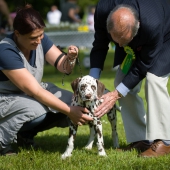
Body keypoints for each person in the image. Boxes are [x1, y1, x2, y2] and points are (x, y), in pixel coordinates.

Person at [0, 4, 93, 156]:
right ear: (17, 33)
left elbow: (64, 68)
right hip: (6, 98)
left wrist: (70, 59)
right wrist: (70, 111)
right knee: (38, 110)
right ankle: (2, 141)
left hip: (29, 94)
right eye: (33, 38)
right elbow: (35, 91)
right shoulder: (5, 50)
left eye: (41, 35)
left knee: (73, 100)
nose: (38, 41)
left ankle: (25, 135)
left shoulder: (39, 38)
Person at [89, 0, 170, 158]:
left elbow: (143, 66)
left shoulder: (153, 23)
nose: (119, 45)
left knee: (154, 80)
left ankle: (165, 142)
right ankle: (141, 139)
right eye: (116, 41)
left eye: (123, 41)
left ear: (137, 25)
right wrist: (92, 81)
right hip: (138, 35)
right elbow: (99, 44)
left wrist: (115, 95)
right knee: (120, 81)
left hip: (166, 36)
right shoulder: (102, 9)